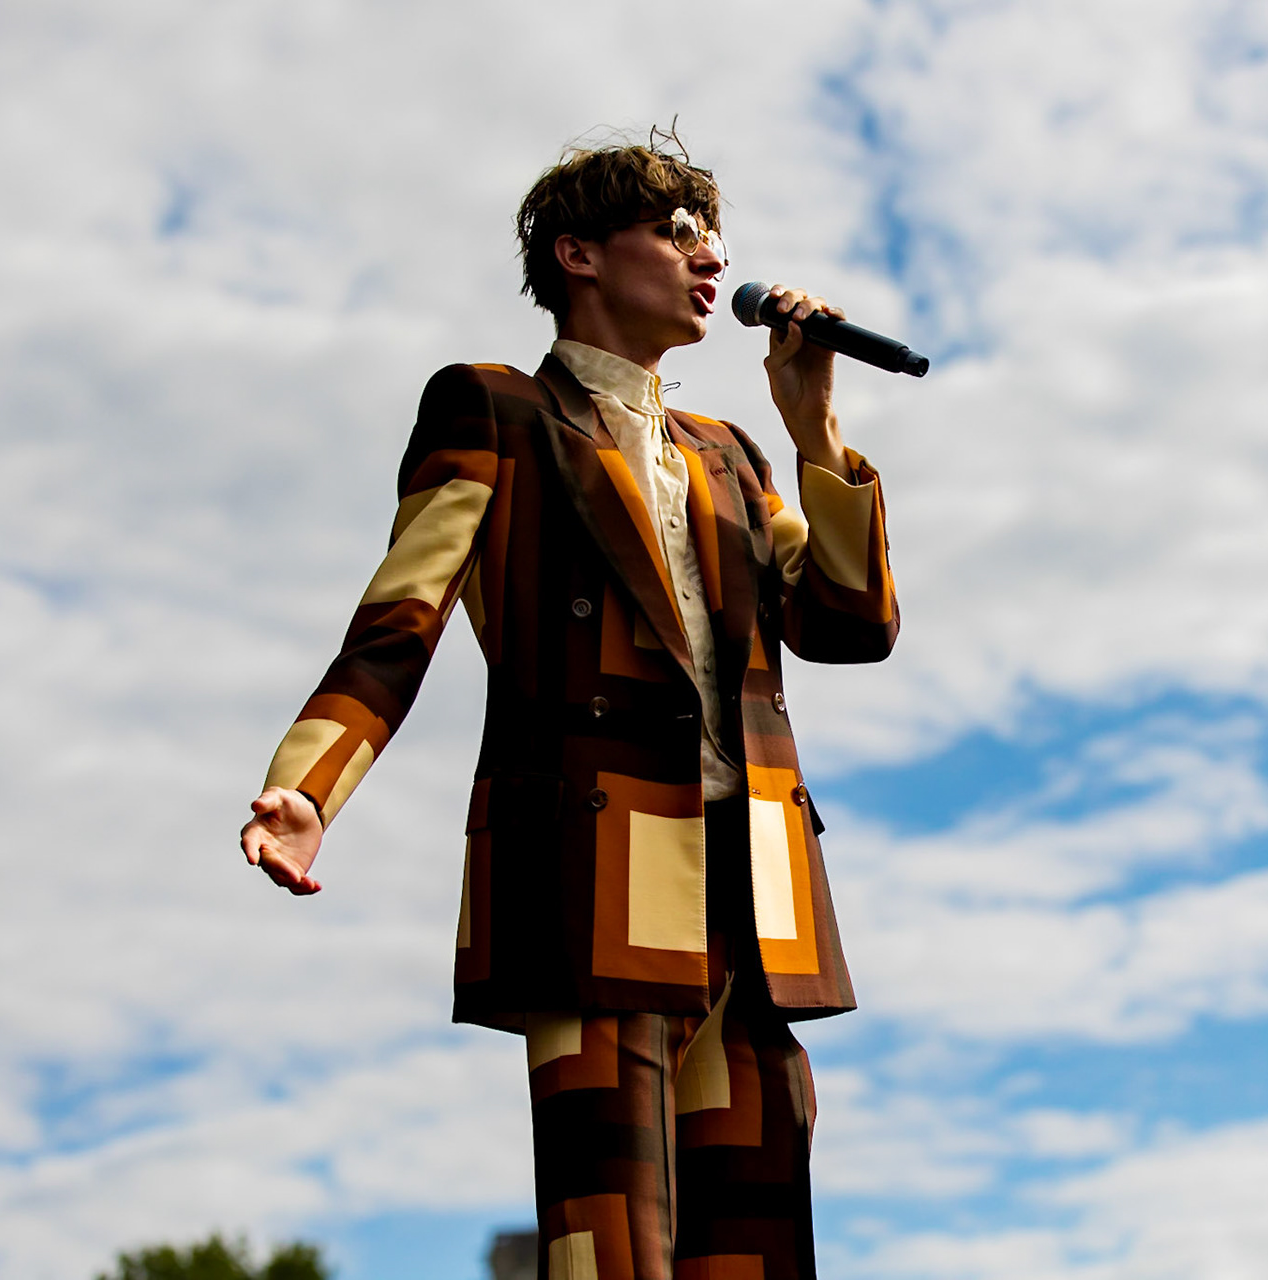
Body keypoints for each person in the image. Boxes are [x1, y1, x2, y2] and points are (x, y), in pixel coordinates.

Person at [239, 131, 898, 1280]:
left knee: (756, 1231)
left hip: (755, 882)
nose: (709, 258)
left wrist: (811, 432)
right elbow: (401, 620)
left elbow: (852, 625)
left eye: (715, 239)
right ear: (579, 253)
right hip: (592, 869)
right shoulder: (492, 410)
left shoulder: (732, 453)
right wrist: (307, 785)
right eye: (676, 233)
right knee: (611, 1239)